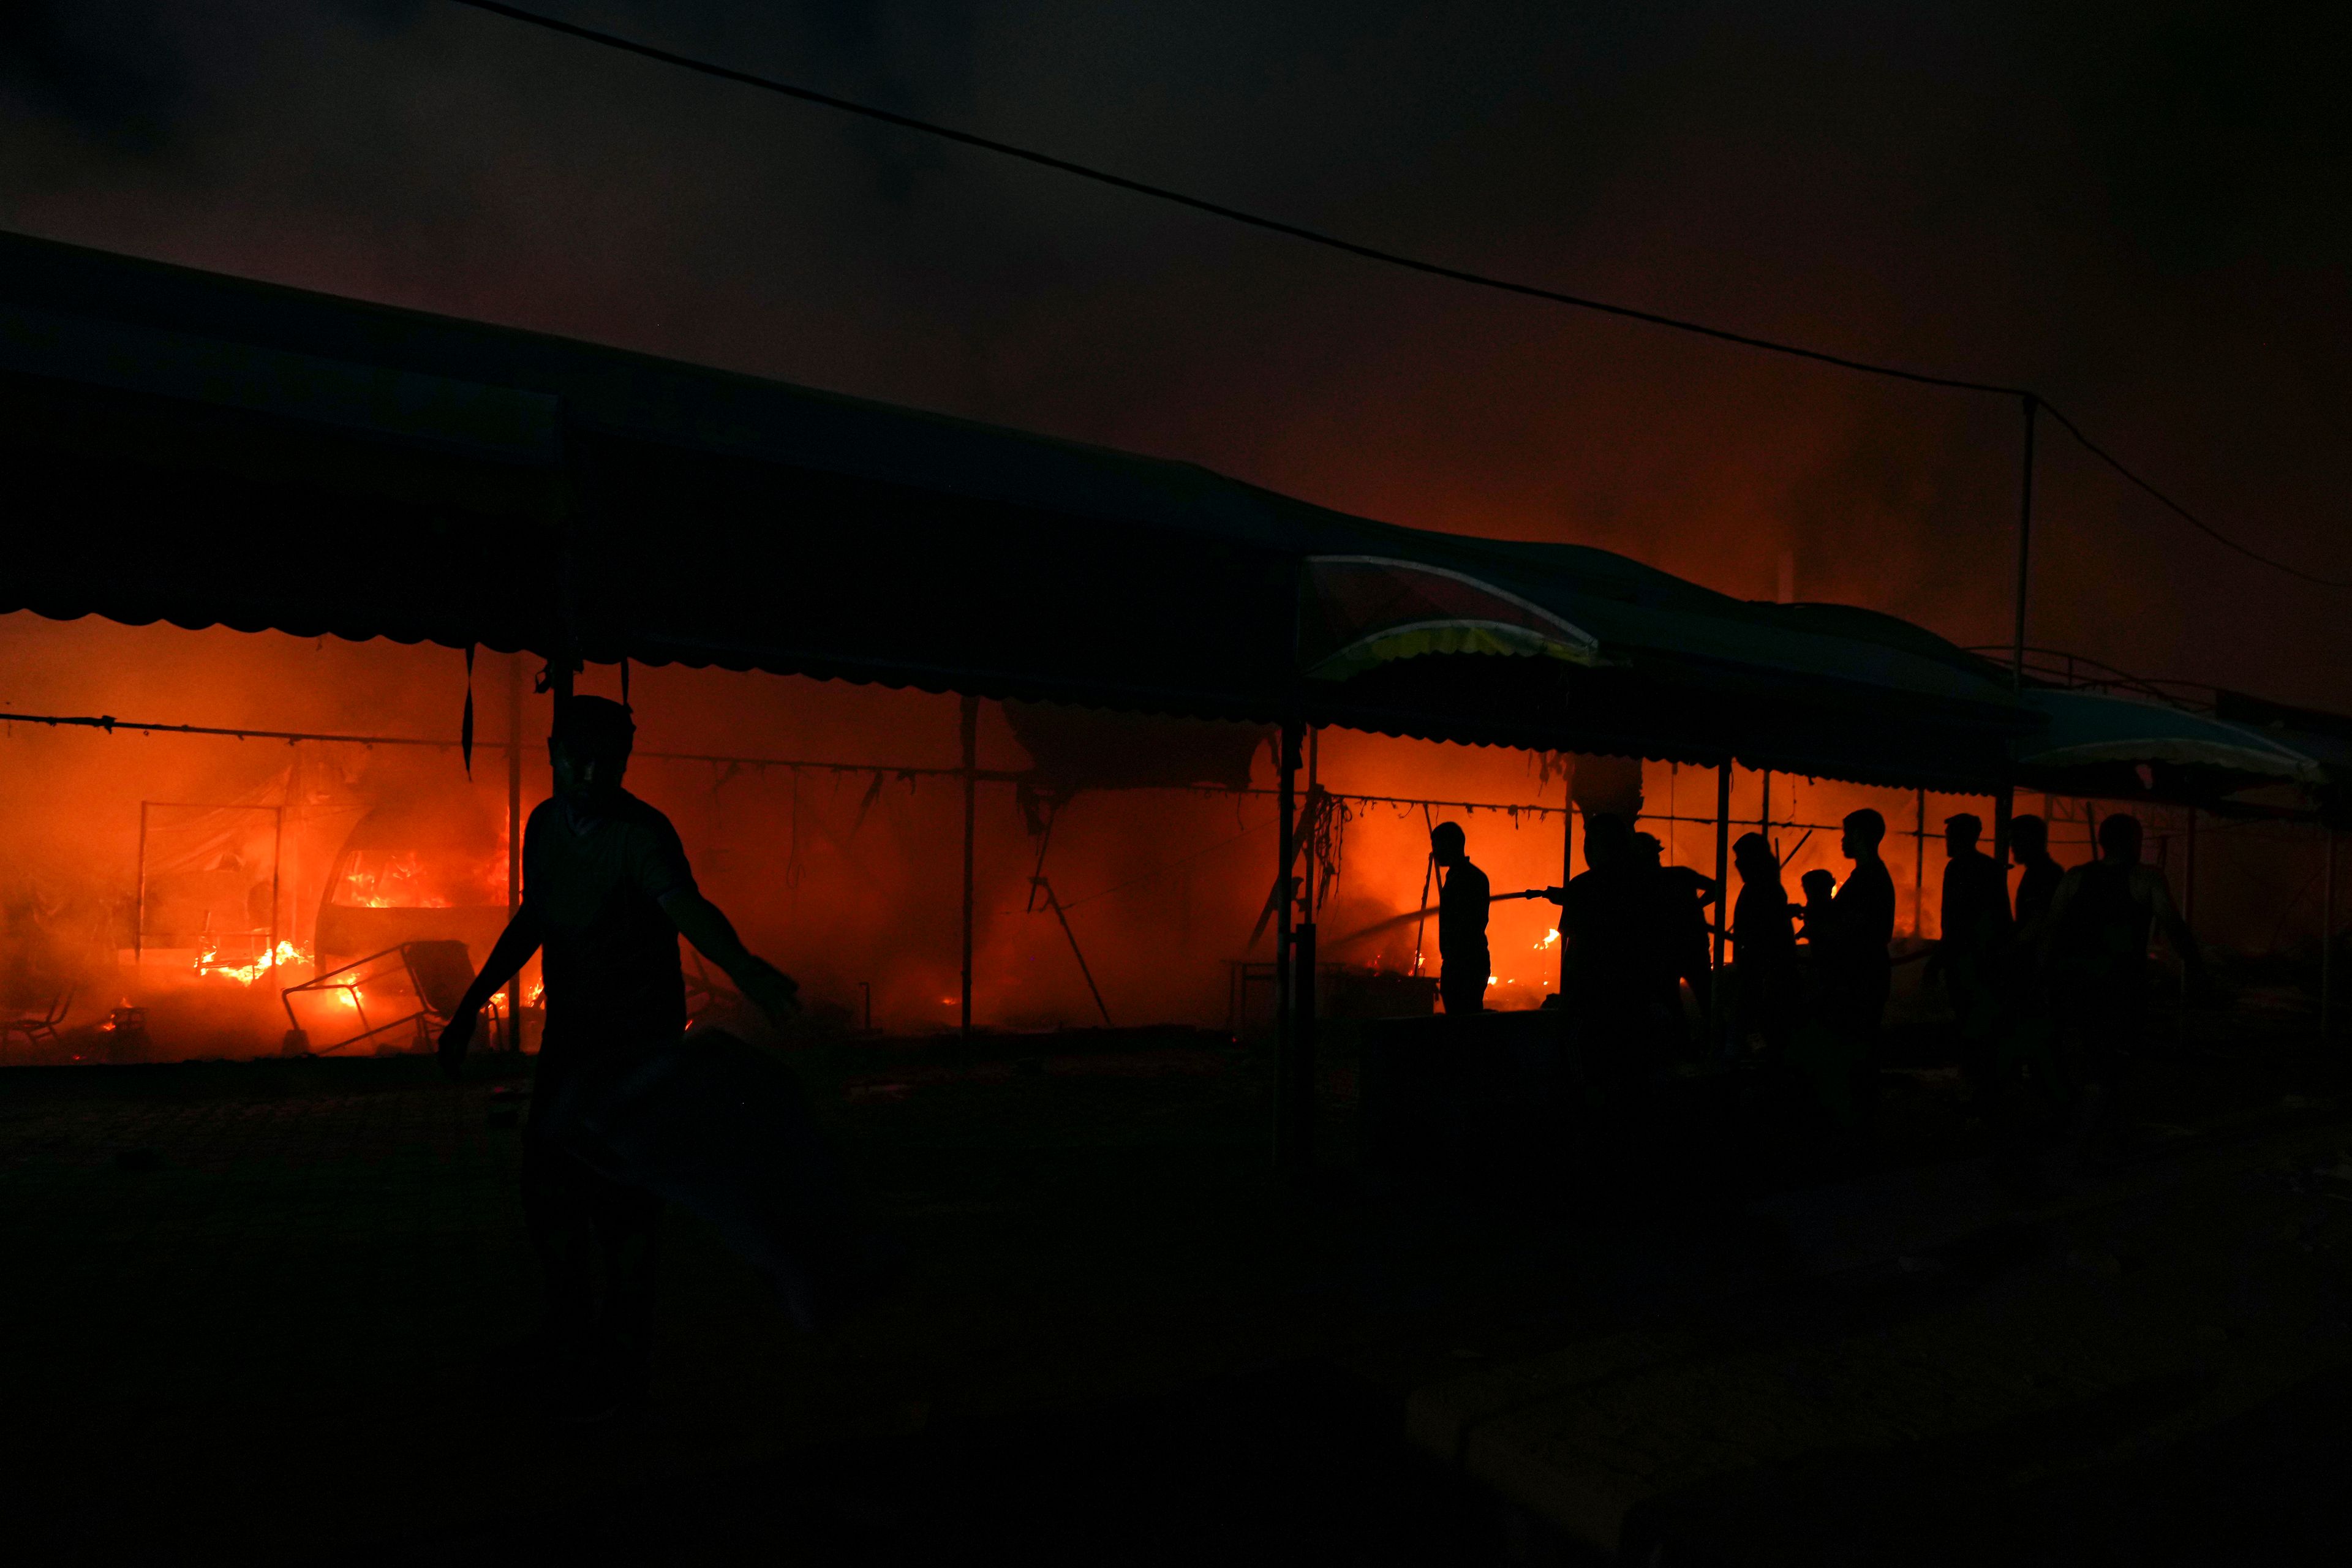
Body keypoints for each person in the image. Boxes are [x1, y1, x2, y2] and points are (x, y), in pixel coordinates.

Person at [437, 695, 804, 1420]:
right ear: (554, 751)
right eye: (578, 755)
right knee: (547, 1191)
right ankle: (575, 1329)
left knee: (623, 1203)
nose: (590, 769)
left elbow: (688, 908)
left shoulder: (644, 835)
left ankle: (624, 1356)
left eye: (606, 757)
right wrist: (472, 1002)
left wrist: (746, 968)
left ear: (625, 760)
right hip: (574, 1039)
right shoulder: (545, 827)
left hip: (636, 1041)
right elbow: (535, 919)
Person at [2041, 813, 2200, 1141]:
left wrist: (2042, 978)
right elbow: (2174, 928)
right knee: (2111, 1061)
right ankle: (2084, 1135)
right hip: (2121, 988)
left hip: (2079, 984)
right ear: (2134, 843)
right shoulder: (2146, 879)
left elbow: (2050, 931)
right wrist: (2197, 968)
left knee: (2094, 1056)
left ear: (2101, 842)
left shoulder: (2075, 878)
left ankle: (2094, 1129)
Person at [1928, 813, 2012, 1109]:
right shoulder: (1991, 868)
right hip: (1988, 962)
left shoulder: (1958, 869)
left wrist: (1937, 960)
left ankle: (1975, 1093)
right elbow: (2003, 918)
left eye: (1950, 835)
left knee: (1969, 1025)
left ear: (1962, 837)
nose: (1947, 841)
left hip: (1966, 963)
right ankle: (1987, 1090)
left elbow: (1955, 922)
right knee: (1985, 1027)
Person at [1728, 832, 1796, 1056]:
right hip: (1758, 964)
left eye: (1741, 858)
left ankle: (1763, 1055)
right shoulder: (1763, 887)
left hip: (1764, 966)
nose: (1738, 864)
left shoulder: (1763, 889)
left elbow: (1769, 929)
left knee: (1759, 1013)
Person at [1430, 821, 1490, 1017]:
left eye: (1437, 845)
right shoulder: (1463, 876)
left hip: (1465, 966)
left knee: (1463, 1024)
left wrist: (1454, 960)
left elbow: (1469, 925)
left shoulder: (1467, 879)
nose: (1434, 852)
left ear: (1451, 845)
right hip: (1462, 963)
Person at [2009, 814, 2064, 942]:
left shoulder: (2041, 874)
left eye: (2016, 839)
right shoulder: (2045, 871)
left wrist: (2011, 950)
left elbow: (2037, 922)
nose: (2012, 846)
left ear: (2031, 840)